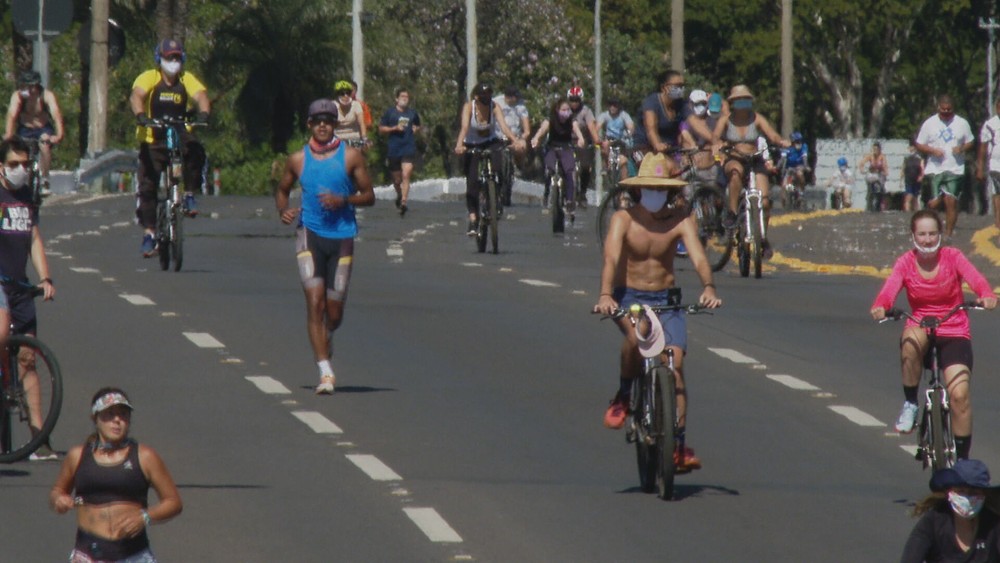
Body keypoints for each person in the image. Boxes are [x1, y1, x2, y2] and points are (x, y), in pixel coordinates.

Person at [593, 153, 722, 472]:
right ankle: (624, 395)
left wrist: (708, 287)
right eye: (649, 187)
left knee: (676, 363)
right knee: (639, 340)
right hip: (629, 296)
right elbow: (610, 258)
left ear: (670, 192)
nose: (655, 194)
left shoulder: (680, 220)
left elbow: (699, 257)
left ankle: (677, 444)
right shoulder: (623, 219)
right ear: (639, 190)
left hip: (666, 297)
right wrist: (606, 295)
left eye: (661, 189)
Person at [870, 210, 996, 458]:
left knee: (960, 396)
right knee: (909, 341)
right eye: (922, 234)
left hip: (954, 327)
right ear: (913, 236)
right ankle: (911, 403)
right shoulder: (905, 262)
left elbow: (977, 281)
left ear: (940, 234)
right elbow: (888, 292)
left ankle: (962, 461)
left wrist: (987, 295)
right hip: (920, 322)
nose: (927, 239)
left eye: (932, 233)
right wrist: (880, 305)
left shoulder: (953, 257)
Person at [275, 99, 375, 394]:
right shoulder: (297, 159)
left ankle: (328, 335)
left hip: (342, 237)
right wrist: (284, 210)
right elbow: (282, 190)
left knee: (334, 313)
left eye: (328, 121)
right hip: (309, 234)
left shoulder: (351, 157)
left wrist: (344, 200)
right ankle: (325, 372)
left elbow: (369, 195)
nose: (322, 125)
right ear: (309, 124)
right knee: (314, 303)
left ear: (334, 125)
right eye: (317, 120)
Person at [49, 387, 182, 562]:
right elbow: (58, 490)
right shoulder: (77, 456)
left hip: (133, 555)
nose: (117, 420)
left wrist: (146, 516)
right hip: (87, 555)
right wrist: (59, 500)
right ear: (95, 418)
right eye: (109, 414)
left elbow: (174, 502)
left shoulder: (145, 456)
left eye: (123, 415)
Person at [0, 137, 56, 460]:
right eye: (13, 164)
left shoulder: (26, 198)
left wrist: (45, 278)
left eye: (24, 163)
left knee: (27, 359)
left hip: (20, 287)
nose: (21, 170)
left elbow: (34, 238)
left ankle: (38, 439)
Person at [130, 38, 211, 256]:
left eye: (177, 57)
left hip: (179, 132)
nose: (173, 61)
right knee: (147, 185)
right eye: (169, 57)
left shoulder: (186, 79)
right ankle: (149, 234)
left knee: (196, 151)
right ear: (160, 59)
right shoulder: (150, 78)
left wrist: (203, 113)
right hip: (153, 136)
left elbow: (201, 96)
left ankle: (190, 194)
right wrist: (141, 116)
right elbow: (137, 95)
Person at [715, 85, 789, 255]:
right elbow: (715, 137)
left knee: (764, 201)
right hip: (735, 158)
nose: (742, 103)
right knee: (735, 174)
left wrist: (781, 141)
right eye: (739, 100)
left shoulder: (757, 118)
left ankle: (762, 236)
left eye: (745, 100)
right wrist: (717, 145)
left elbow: (773, 135)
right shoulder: (726, 120)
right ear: (733, 103)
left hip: (755, 159)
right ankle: (733, 214)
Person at [454, 83, 525, 235]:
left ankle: (495, 198)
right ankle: (473, 218)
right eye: (483, 96)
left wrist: (515, 141)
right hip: (471, 144)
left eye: (489, 95)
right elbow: (464, 128)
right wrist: (459, 145)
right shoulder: (469, 108)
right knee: (472, 182)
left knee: (498, 168)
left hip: (491, 142)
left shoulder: (494, 107)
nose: (487, 98)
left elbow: (504, 128)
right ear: (476, 97)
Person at [901, 459, 1000, 562]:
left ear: (984, 495)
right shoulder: (933, 521)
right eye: (961, 491)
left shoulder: (994, 524)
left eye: (973, 492)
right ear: (949, 492)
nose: (967, 498)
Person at [632, 70, 715, 176]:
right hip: (643, 149)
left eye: (682, 86)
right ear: (664, 88)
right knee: (669, 169)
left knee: (680, 177)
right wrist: (657, 144)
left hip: (668, 151)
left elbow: (696, 123)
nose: (681, 89)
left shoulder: (681, 105)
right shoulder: (652, 102)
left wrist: (715, 140)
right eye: (677, 85)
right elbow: (650, 129)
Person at [915, 95, 974, 238]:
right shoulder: (929, 123)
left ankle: (948, 233)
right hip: (935, 169)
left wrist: (962, 148)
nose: (946, 112)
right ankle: (932, 225)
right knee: (935, 203)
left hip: (955, 169)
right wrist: (932, 150)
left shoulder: (962, 123)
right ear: (938, 108)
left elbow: (971, 141)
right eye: (943, 110)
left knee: (951, 201)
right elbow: (919, 143)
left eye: (949, 110)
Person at [4, 70, 64, 195]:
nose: (29, 90)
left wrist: (59, 135)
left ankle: (45, 179)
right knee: (17, 152)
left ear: (37, 85)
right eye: (26, 86)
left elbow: (56, 115)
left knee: (44, 144)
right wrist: (9, 133)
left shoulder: (46, 96)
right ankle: (16, 179)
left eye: (32, 86)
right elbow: (11, 115)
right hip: (25, 129)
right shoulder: (19, 96)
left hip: (43, 129)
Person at [531, 98, 586, 212]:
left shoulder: (571, 119)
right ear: (557, 109)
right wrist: (536, 138)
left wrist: (581, 138)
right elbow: (542, 130)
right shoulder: (551, 119)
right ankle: (547, 195)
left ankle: (570, 200)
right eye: (563, 109)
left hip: (566, 148)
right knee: (549, 169)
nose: (566, 112)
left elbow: (576, 129)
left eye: (568, 109)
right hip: (552, 147)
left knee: (569, 171)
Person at [378, 88, 421, 216]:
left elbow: (418, 124)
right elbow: (381, 128)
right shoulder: (390, 113)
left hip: (408, 147)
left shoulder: (412, 113)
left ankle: (403, 202)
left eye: (406, 97)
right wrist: (394, 128)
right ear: (396, 99)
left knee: (406, 174)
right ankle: (399, 194)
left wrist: (415, 129)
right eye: (402, 96)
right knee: (397, 180)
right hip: (394, 148)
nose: (404, 99)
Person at [493, 87, 532, 206]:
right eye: (512, 97)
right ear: (506, 96)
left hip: (515, 136)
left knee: (522, 147)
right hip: (499, 136)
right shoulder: (496, 102)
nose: (514, 99)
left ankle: (519, 165)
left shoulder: (521, 106)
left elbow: (527, 130)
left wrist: (522, 138)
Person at [567, 86, 600, 207]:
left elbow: (591, 126)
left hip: (583, 141)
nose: (574, 103)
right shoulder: (565, 110)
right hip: (567, 140)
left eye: (576, 100)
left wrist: (597, 140)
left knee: (586, 166)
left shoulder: (586, 111)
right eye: (572, 100)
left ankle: (582, 193)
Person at [597, 98, 636, 182]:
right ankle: (605, 166)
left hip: (621, 140)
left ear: (619, 107)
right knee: (604, 145)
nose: (612, 107)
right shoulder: (604, 115)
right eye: (610, 105)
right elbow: (597, 126)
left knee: (624, 158)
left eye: (615, 105)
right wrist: (596, 137)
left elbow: (631, 126)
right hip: (609, 139)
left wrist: (629, 132)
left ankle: (624, 176)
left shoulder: (624, 115)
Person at [976, 98, 1000, 230]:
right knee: (998, 192)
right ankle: (998, 221)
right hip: (996, 165)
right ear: (997, 108)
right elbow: (983, 147)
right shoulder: (990, 125)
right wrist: (980, 168)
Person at [332, 80, 368, 147]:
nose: (345, 96)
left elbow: (362, 123)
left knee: (357, 155)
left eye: (348, 93)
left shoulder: (356, 105)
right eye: (342, 93)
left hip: (354, 138)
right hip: (337, 139)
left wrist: (364, 138)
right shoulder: (332, 106)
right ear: (337, 95)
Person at [859, 141, 889, 212]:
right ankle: (869, 206)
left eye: (876, 149)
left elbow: (885, 166)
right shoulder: (870, 156)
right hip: (871, 174)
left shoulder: (882, 157)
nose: (875, 151)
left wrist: (885, 172)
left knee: (880, 190)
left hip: (879, 174)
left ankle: (879, 206)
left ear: (879, 150)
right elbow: (861, 163)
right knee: (870, 190)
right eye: (874, 149)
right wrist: (862, 170)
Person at [902, 138, 925, 212]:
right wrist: (901, 179)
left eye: (913, 147)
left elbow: (922, 168)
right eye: (911, 147)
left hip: (916, 178)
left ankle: (916, 211)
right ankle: (907, 211)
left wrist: (921, 176)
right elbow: (903, 168)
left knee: (916, 196)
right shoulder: (906, 158)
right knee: (908, 195)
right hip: (908, 178)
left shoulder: (919, 158)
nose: (912, 149)